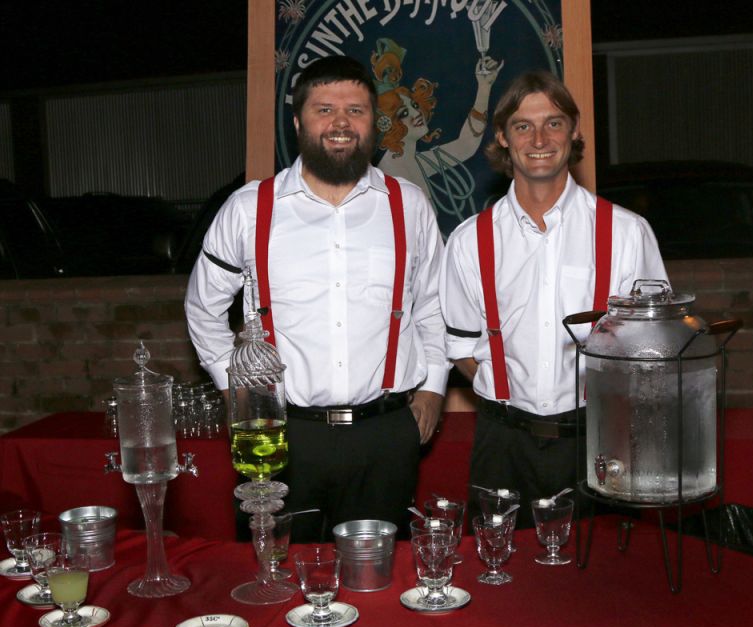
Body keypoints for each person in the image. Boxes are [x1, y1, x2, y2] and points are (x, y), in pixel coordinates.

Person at [185, 55, 448, 542]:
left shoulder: (408, 205)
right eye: (324, 109)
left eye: (356, 110)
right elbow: (203, 308)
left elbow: (431, 304)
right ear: (298, 121)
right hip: (284, 434)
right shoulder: (249, 209)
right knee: (277, 578)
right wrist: (234, 388)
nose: (341, 123)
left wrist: (433, 386)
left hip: (385, 431)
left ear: (375, 121)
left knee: (380, 587)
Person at [439, 70, 668, 528]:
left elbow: (655, 351)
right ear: (503, 137)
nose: (539, 138)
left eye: (554, 123)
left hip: (600, 439)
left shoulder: (626, 232)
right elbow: (462, 347)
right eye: (523, 125)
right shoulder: (469, 241)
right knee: (497, 582)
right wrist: (509, 385)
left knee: (601, 586)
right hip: (502, 444)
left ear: (575, 130)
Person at [371, 38, 503, 224]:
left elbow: (465, 146)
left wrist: (484, 86)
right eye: (404, 112)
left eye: (414, 105)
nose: (416, 113)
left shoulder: (415, 160)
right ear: (387, 124)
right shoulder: (385, 175)